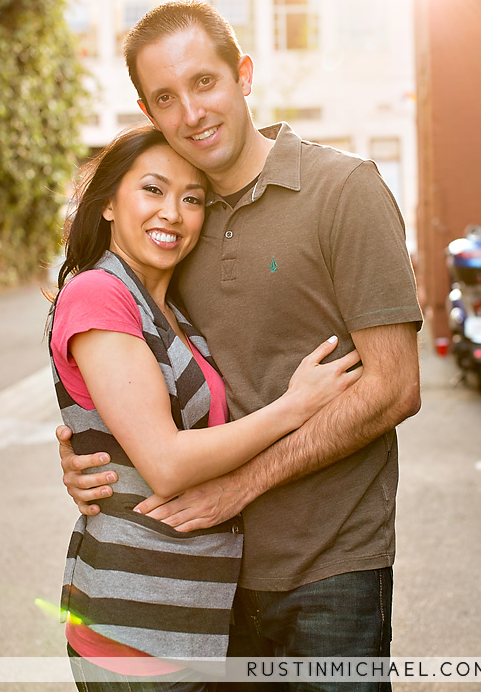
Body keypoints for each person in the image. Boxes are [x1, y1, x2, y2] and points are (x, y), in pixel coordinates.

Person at [58, 0, 423, 691]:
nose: (192, 111)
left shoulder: (343, 191)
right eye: (165, 97)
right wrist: (84, 452)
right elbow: (128, 374)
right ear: (146, 109)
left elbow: (394, 385)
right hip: (201, 582)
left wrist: (242, 485)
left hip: (328, 567)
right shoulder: (171, 230)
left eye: (204, 82)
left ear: (243, 76)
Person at [49, 123, 362, 690]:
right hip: (136, 620)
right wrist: (293, 407)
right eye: (152, 190)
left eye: (191, 198)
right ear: (108, 205)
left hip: (190, 617)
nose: (172, 212)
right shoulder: (99, 292)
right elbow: (165, 462)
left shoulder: (169, 308)